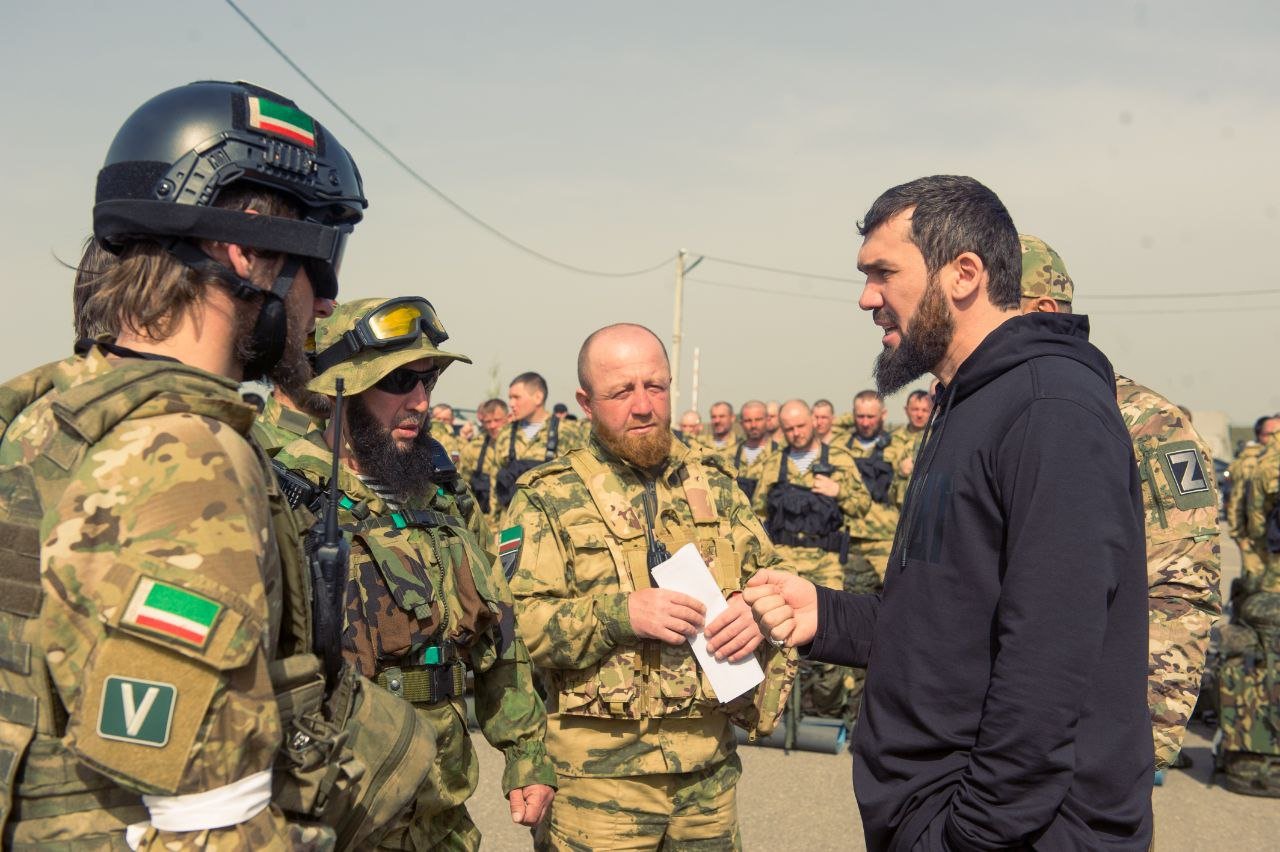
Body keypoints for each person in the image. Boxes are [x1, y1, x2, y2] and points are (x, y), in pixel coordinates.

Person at [0, 80, 367, 847]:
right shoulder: (186, 457)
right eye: (319, 263)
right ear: (247, 251)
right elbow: (205, 825)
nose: (325, 305)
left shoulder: (48, 417)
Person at [747, 176, 1152, 849]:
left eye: (884, 272)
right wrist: (830, 616)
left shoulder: (1050, 409)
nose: (866, 297)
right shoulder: (969, 402)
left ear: (963, 274)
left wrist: (966, 833)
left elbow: (1047, 665)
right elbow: (954, 621)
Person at [275, 297, 556, 848]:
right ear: (343, 389)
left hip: (441, 802)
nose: (421, 402)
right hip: (341, 803)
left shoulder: (438, 489)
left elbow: (497, 629)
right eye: (401, 381)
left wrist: (526, 752)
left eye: (429, 381)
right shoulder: (285, 492)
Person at [502, 323, 793, 850]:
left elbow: (774, 584)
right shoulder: (548, 497)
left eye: (655, 387)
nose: (643, 406)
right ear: (586, 403)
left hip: (708, 777)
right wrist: (620, 615)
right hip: (598, 787)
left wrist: (756, 612)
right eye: (621, 392)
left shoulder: (716, 485)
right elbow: (514, 628)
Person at [1019, 233, 1222, 774]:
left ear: (1042, 310)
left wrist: (1137, 748)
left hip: (1099, 735)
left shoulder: (1148, 423)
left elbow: (1181, 584)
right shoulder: (996, 410)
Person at [752, 400, 868, 720]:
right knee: (774, 636)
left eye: (801, 426)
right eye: (788, 429)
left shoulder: (839, 460)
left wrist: (838, 490)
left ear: (814, 423)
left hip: (825, 559)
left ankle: (827, 706)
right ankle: (773, 708)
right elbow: (758, 513)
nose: (796, 433)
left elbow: (862, 506)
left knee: (831, 637)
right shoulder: (774, 461)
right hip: (784, 560)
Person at [1223, 419, 1280, 795]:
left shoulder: (1248, 463)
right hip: (1273, 583)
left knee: (1256, 668)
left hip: (1255, 579)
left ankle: (1251, 754)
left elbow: (1234, 520)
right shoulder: (1272, 466)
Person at [494, 372, 580, 512]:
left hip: (552, 525)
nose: (511, 404)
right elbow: (496, 487)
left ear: (538, 397)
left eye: (516, 397)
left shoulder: (567, 432)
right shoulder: (506, 434)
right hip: (512, 527)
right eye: (510, 398)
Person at [842, 390, 901, 588]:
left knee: (890, 597)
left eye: (871, 416)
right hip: (847, 538)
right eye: (860, 416)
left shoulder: (899, 448)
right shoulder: (838, 447)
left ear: (883, 415)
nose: (865, 422)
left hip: (884, 538)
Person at [1227, 415, 1280, 589]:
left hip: (1273, 540)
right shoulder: (1250, 463)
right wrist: (1240, 537)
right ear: (1259, 435)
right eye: (1269, 434)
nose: (1274, 438)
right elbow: (1237, 502)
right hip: (1256, 542)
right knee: (1254, 591)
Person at [461, 397, 511, 516]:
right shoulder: (473, 449)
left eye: (497, 420)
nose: (492, 426)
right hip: (485, 520)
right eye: (488, 422)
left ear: (508, 419)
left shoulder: (522, 448)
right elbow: (462, 486)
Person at [732, 399, 778, 499]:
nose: (753, 425)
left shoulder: (779, 454)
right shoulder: (731, 454)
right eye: (748, 421)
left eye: (758, 420)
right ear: (741, 423)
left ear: (767, 420)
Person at [890, 389, 932, 477]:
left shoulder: (936, 438)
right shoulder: (891, 438)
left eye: (924, 410)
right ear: (906, 410)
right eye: (915, 409)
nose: (919, 415)